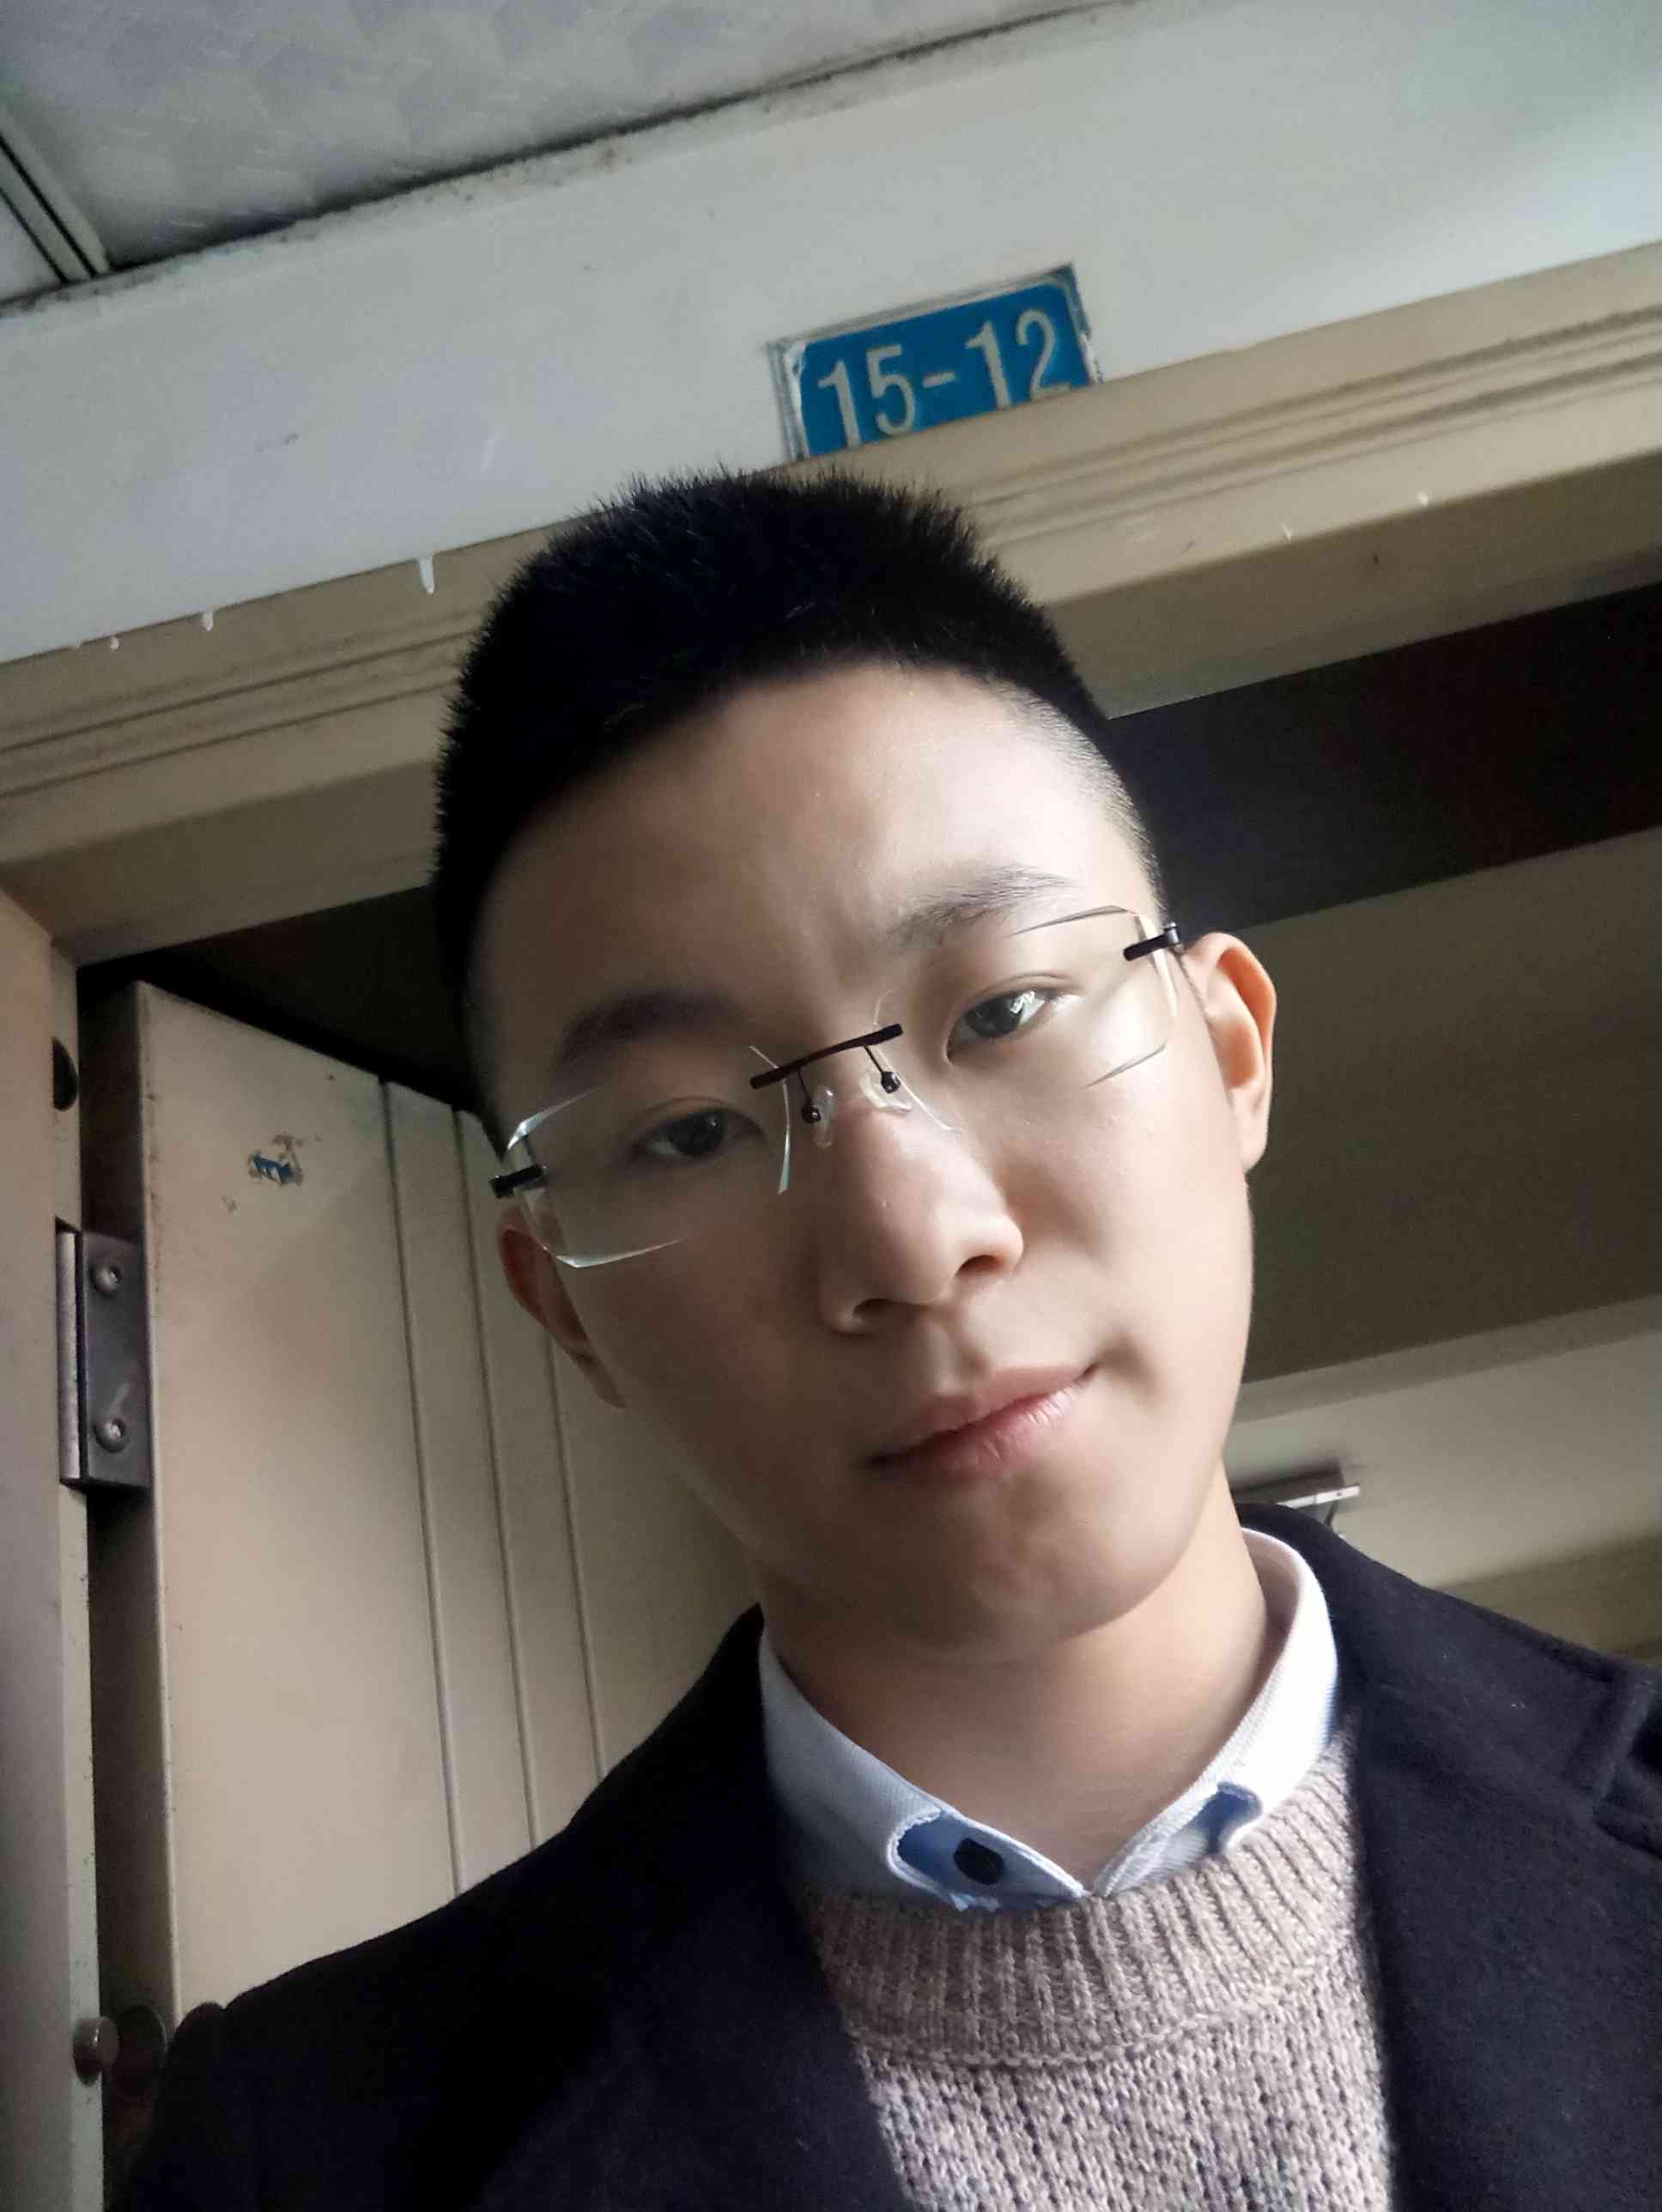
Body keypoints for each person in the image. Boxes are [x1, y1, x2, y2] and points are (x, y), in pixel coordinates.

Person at [120, 471, 1662, 2212]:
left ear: (1231, 1050)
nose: (911, 1242)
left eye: (1002, 1009)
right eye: (690, 1130)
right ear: (561, 1303)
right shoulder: (315, 2155)